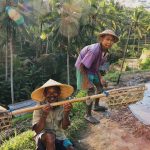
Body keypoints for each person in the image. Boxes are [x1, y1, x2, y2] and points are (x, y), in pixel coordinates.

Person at [75, 29, 119, 124]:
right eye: (107, 39)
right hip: (83, 69)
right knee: (91, 90)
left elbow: (96, 65)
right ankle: (87, 115)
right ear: (101, 39)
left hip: (92, 69)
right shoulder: (94, 50)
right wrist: (88, 81)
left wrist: (101, 78)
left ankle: (96, 106)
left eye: (112, 40)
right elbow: (82, 66)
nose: (110, 42)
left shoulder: (105, 51)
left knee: (100, 86)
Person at [31, 79, 74, 150]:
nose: (52, 95)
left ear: (59, 93)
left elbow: (65, 127)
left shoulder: (63, 104)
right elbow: (37, 130)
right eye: (49, 92)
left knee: (71, 148)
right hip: (43, 137)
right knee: (50, 137)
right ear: (45, 94)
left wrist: (66, 112)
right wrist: (44, 114)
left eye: (55, 92)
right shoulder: (39, 107)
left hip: (60, 136)